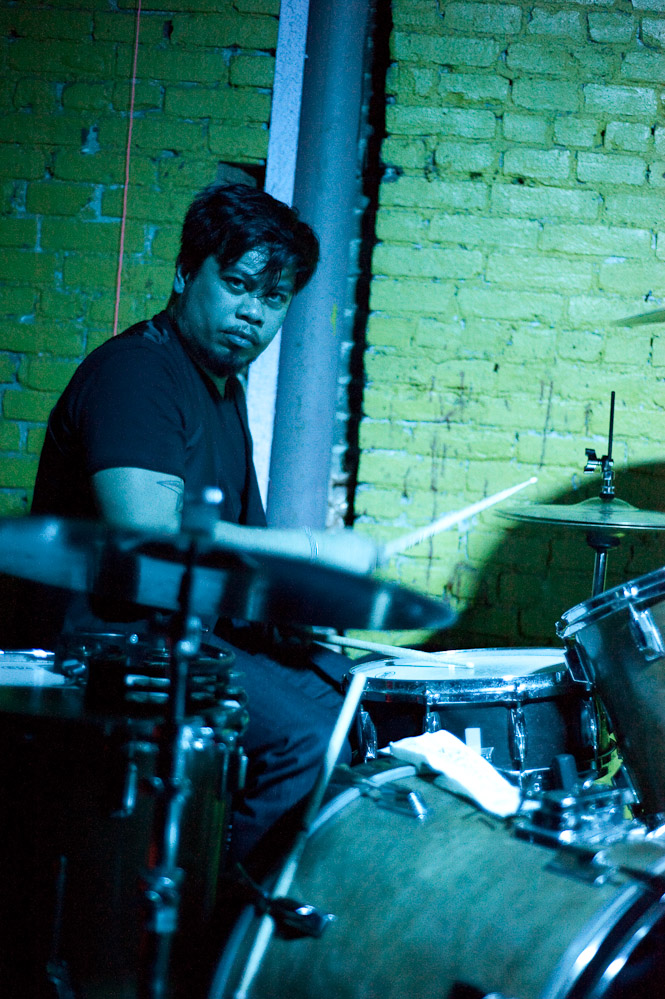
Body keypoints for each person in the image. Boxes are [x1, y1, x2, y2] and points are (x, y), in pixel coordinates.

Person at [28, 182, 369, 873]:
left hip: (179, 634)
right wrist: (312, 547)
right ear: (186, 273)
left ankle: (288, 896)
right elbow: (151, 536)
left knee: (349, 695)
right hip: (104, 642)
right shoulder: (137, 371)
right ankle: (222, 923)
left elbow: (232, 561)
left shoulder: (224, 390)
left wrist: (299, 608)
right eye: (238, 284)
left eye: (274, 298)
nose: (253, 313)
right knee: (302, 739)